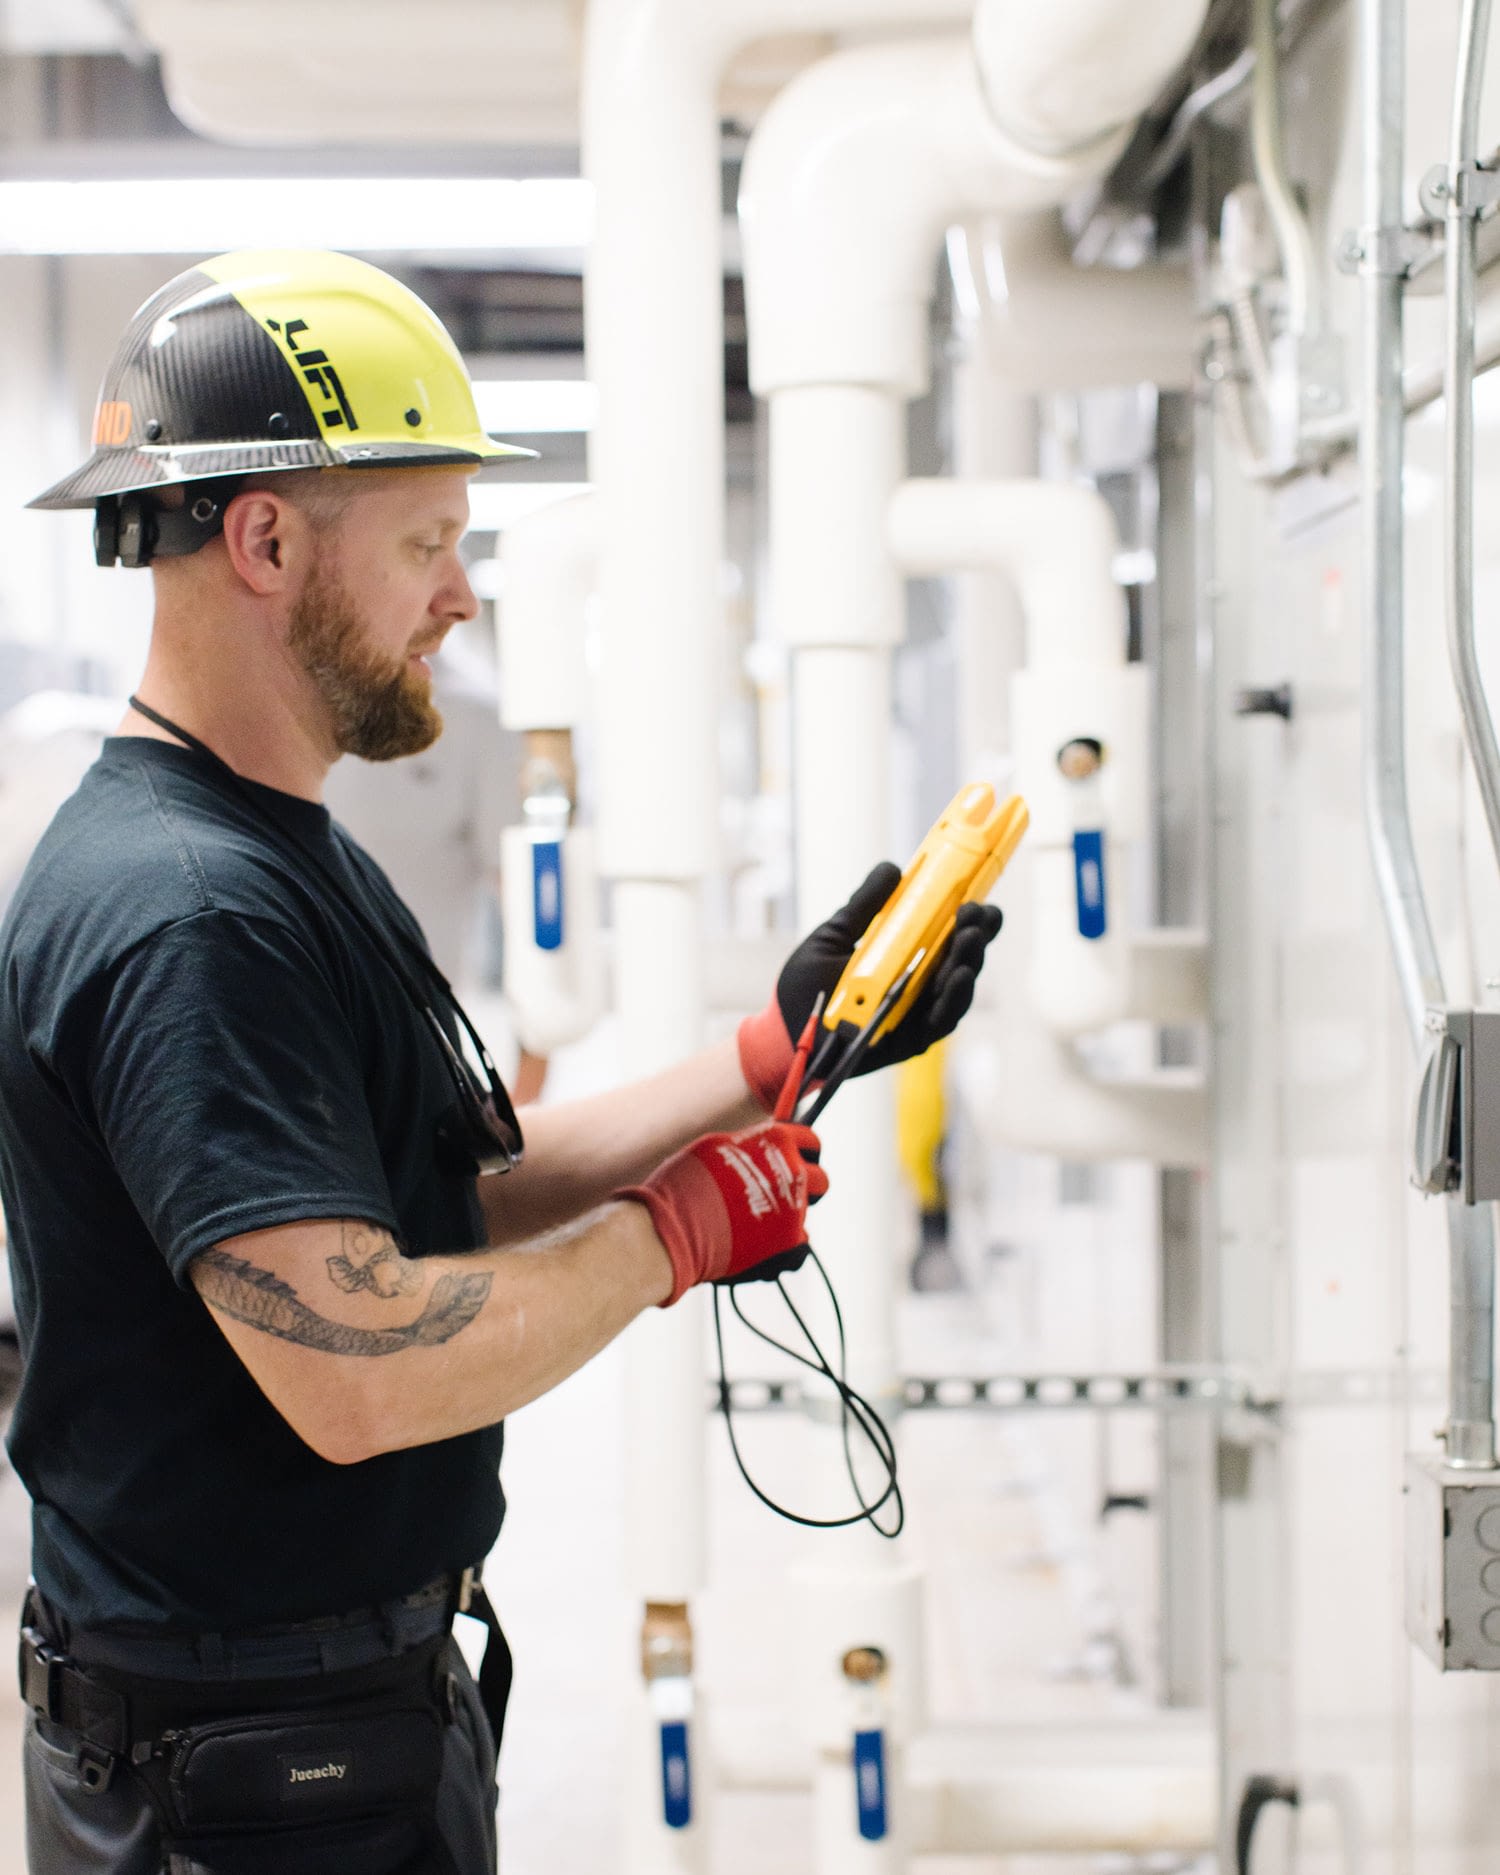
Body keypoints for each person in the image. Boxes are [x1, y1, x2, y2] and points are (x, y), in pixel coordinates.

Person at [0, 249, 1003, 1875]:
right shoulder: (187, 913)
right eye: (428, 543)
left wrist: (770, 1053)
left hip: (326, 1725)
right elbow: (359, 1359)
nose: (460, 595)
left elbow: (436, 1195)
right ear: (263, 539)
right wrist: (671, 1237)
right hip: (242, 1789)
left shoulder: (274, 846)